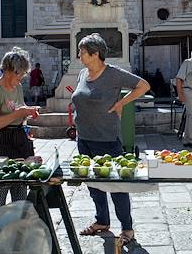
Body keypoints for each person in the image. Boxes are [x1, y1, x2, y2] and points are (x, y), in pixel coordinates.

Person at [72, 33, 150, 245]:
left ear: (95, 54)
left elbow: (143, 85)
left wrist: (121, 103)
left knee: (117, 187)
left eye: (82, 52)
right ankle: (102, 221)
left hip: (106, 139)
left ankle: (127, 229)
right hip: (84, 139)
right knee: (93, 184)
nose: (79, 55)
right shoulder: (82, 74)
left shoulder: (113, 74)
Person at [0, 47, 40, 215]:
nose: (21, 78)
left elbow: (18, 109)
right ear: (9, 70)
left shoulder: (18, 87)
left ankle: (18, 232)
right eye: (19, 74)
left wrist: (27, 113)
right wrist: (19, 113)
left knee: (20, 194)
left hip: (18, 141)